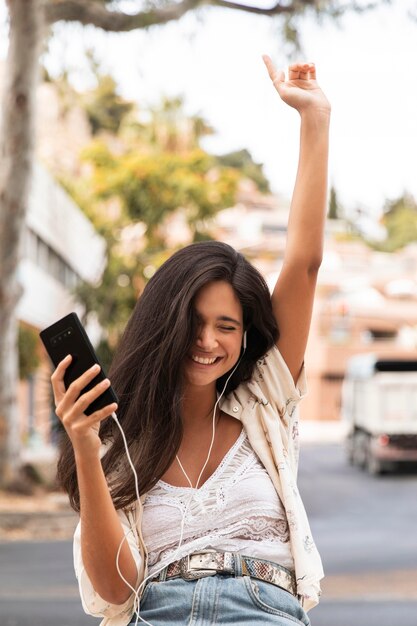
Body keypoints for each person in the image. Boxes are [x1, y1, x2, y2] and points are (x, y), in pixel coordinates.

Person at [51, 55, 330, 626]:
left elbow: (303, 264)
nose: (206, 341)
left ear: (245, 334)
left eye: (226, 326)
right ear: (164, 324)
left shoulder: (264, 402)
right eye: (193, 323)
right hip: (157, 614)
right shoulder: (119, 441)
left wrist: (315, 119)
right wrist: (84, 443)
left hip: (263, 611)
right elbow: (117, 586)